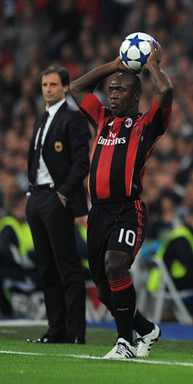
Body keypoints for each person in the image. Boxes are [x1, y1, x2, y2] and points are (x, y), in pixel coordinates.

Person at [70, 41, 174, 359]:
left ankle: (124, 342)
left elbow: (166, 92)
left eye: (119, 90)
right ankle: (146, 330)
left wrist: (151, 64)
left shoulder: (147, 125)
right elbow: (75, 87)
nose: (112, 94)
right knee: (103, 289)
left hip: (128, 210)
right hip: (98, 212)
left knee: (116, 266)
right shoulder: (102, 119)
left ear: (136, 95)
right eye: (111, 90)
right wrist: (114, 66)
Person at [25, 65, 90, 344]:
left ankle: (75, 331)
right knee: (46, 267)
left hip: (55, 196)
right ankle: (56, 330)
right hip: (37, 197)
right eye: (44, 85)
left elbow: (81, 162)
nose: (48, 90)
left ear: (65, 87)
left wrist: (63, 194)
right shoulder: (41, 119)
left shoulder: (72, 119)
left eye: (53, 85)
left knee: (67, 266)